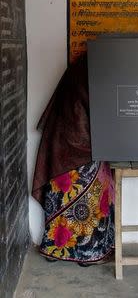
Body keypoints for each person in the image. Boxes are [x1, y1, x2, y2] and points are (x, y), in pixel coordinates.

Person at [32, 54, 115, 266]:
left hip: (62, 145)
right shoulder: (91, 75)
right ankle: (86, 254)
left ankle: (56, 249)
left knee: (65, 199)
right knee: (91, 198)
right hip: (81, 145)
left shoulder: (79, 70)